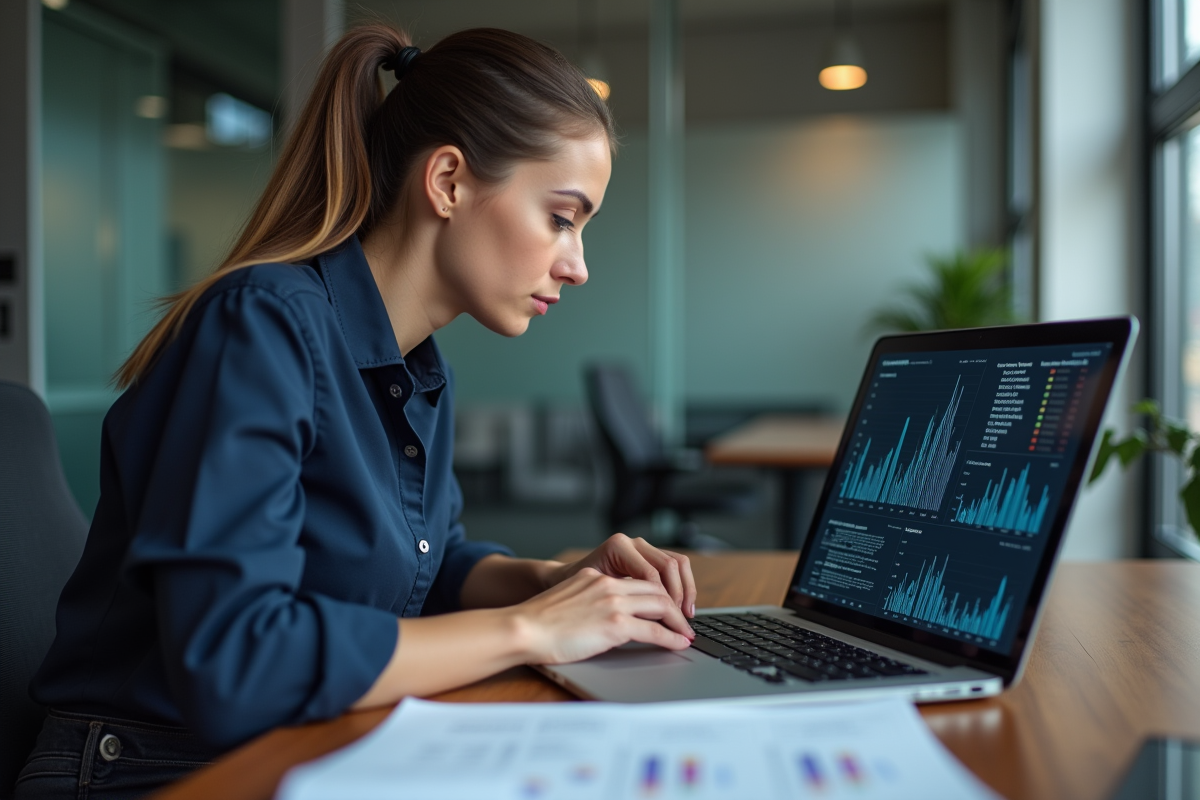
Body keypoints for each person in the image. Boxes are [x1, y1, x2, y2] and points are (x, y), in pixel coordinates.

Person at [15, 23, 697, 799]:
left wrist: (555, 580)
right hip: (151, 769)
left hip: (302, 742)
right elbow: (238, 660)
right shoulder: (262, 325)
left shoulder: (414, 367)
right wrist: (534, 630)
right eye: (562, 218)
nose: (576, 267)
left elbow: (427, 570)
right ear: (447, 182)